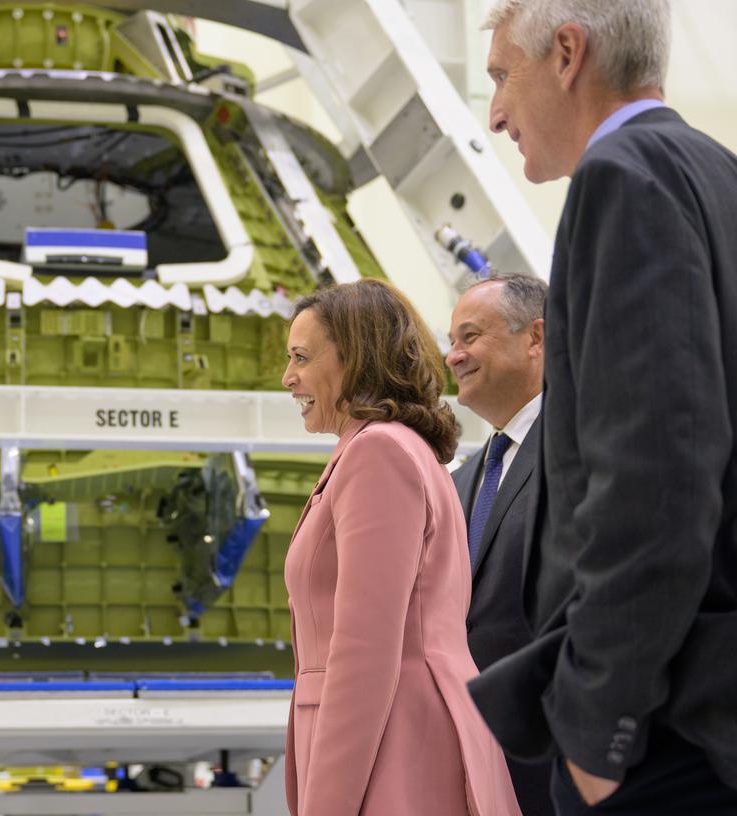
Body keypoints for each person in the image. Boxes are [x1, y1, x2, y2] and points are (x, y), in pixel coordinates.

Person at [469, 2, 737, 813]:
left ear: (567, 55)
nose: (495, 112)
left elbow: (655, 476)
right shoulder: (715, 173)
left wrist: (598, 731)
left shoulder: (623, 181)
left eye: (501, 76)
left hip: (662, 734)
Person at [281, 278, 520, 816]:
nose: (287, 378)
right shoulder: (387, 449)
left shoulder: (378, 454)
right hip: (398, 740)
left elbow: (366, 652)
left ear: (355, 359)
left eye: (300, 357)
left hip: (395, 748)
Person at [447, 274, 552, 816]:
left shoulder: (585, 447)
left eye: (469, 336)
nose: (453, 356)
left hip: (558, 755)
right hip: (472, 756)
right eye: (451, 341)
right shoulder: (461, 482)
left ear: (536, 338)